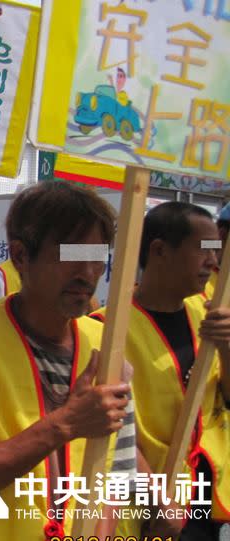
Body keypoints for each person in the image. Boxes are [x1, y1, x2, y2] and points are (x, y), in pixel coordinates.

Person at [0, 182, 137, 540]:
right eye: (69, 255)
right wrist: (65, 423)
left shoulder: (106, 347)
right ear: (20, 255)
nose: (88, 273)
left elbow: (119, 477)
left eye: (98, 256)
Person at [93, 202, 230, 539]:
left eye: (216, 250)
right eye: (203, 250)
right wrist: (155, 495)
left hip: (205, 497)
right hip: (147, 504)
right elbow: (112, 428)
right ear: (159, 250)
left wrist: (227, 348)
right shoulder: (105, 330)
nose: (213, 262)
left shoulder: (210, 312)